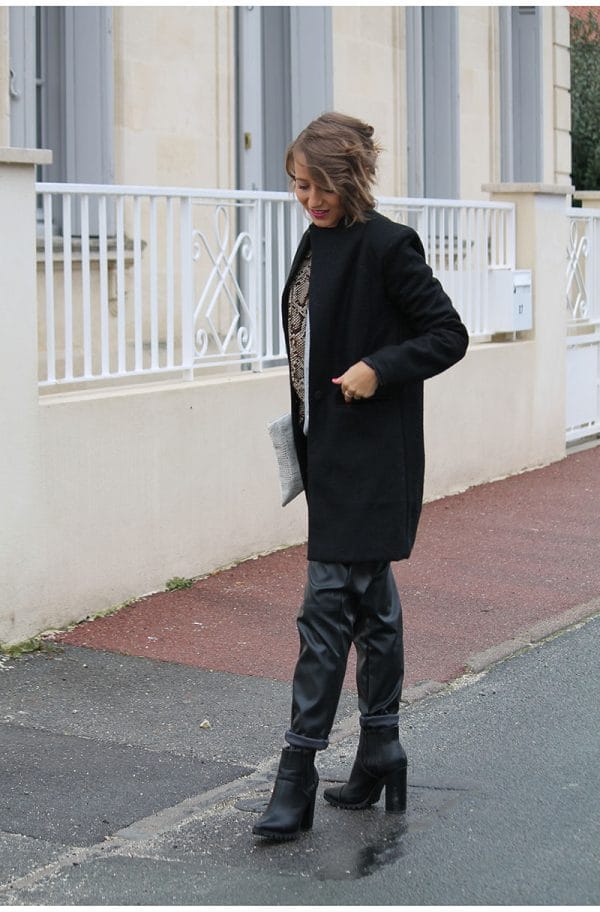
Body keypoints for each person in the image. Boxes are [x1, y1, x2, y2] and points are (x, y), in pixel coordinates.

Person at [253, 112, 469, 841]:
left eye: (320, 185)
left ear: (351, 179)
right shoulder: (316, 239)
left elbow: (448, 334)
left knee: (324, 612)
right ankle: (381, 748)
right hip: (330, 456)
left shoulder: (387, 244)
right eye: (298, 185)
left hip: (373, 463)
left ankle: (296, 774)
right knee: (370, 605)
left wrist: (380, 367)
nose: (308, 198)